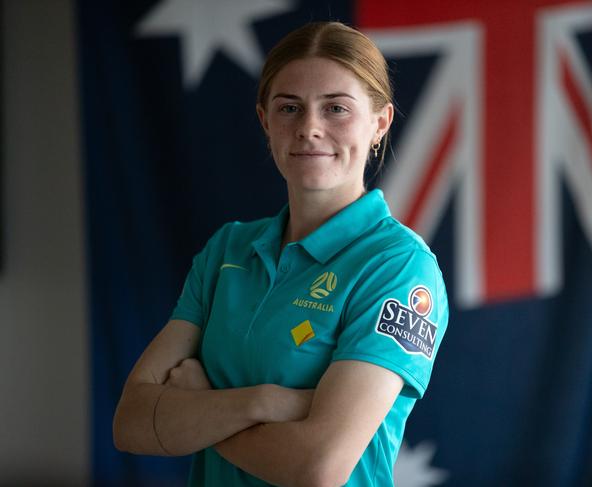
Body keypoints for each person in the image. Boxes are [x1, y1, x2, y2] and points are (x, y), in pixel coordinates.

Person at [113, 21, 449, 487]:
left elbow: (318, 469)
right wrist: (262, 402)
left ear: (380, 122)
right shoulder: (227, 250)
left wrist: (200, 407)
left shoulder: (398, 266)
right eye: (289, 107)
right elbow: (131, 423)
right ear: (265, 121)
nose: (309, 128)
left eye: (336, 108)